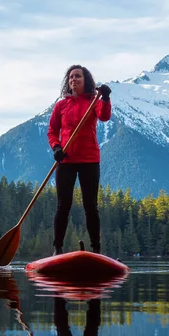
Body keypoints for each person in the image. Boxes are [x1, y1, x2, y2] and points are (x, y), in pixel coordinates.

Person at [47, 65, 111, 256]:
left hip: (89, 160)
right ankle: (57, 249)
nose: (74, 79)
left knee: (90, 206)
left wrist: (106, 98)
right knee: (62, 206)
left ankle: (96, 249)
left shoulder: (94, 101)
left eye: (78, 76)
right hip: (65, 161)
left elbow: (105, 116)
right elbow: (52, 131)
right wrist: (56, 148)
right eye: (71, 77)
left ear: (86, 80)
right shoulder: (61, 105)